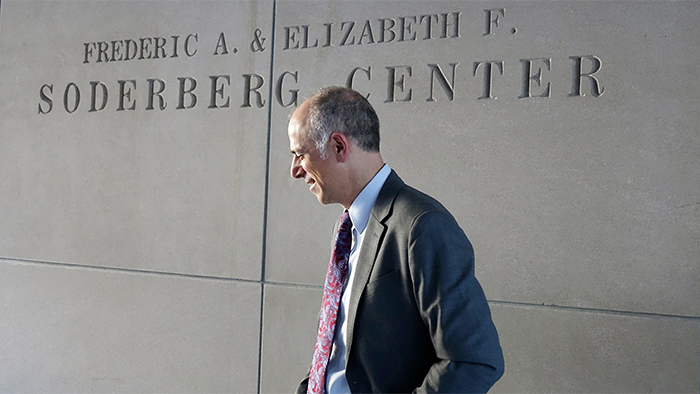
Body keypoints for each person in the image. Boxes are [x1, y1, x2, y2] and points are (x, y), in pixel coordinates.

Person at [289, 86, 504, 393]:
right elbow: (337, 351)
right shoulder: (347, 230)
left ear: (338, 146)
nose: (295, 170)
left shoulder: (423, 227)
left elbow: (475, 361)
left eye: (300, 153)